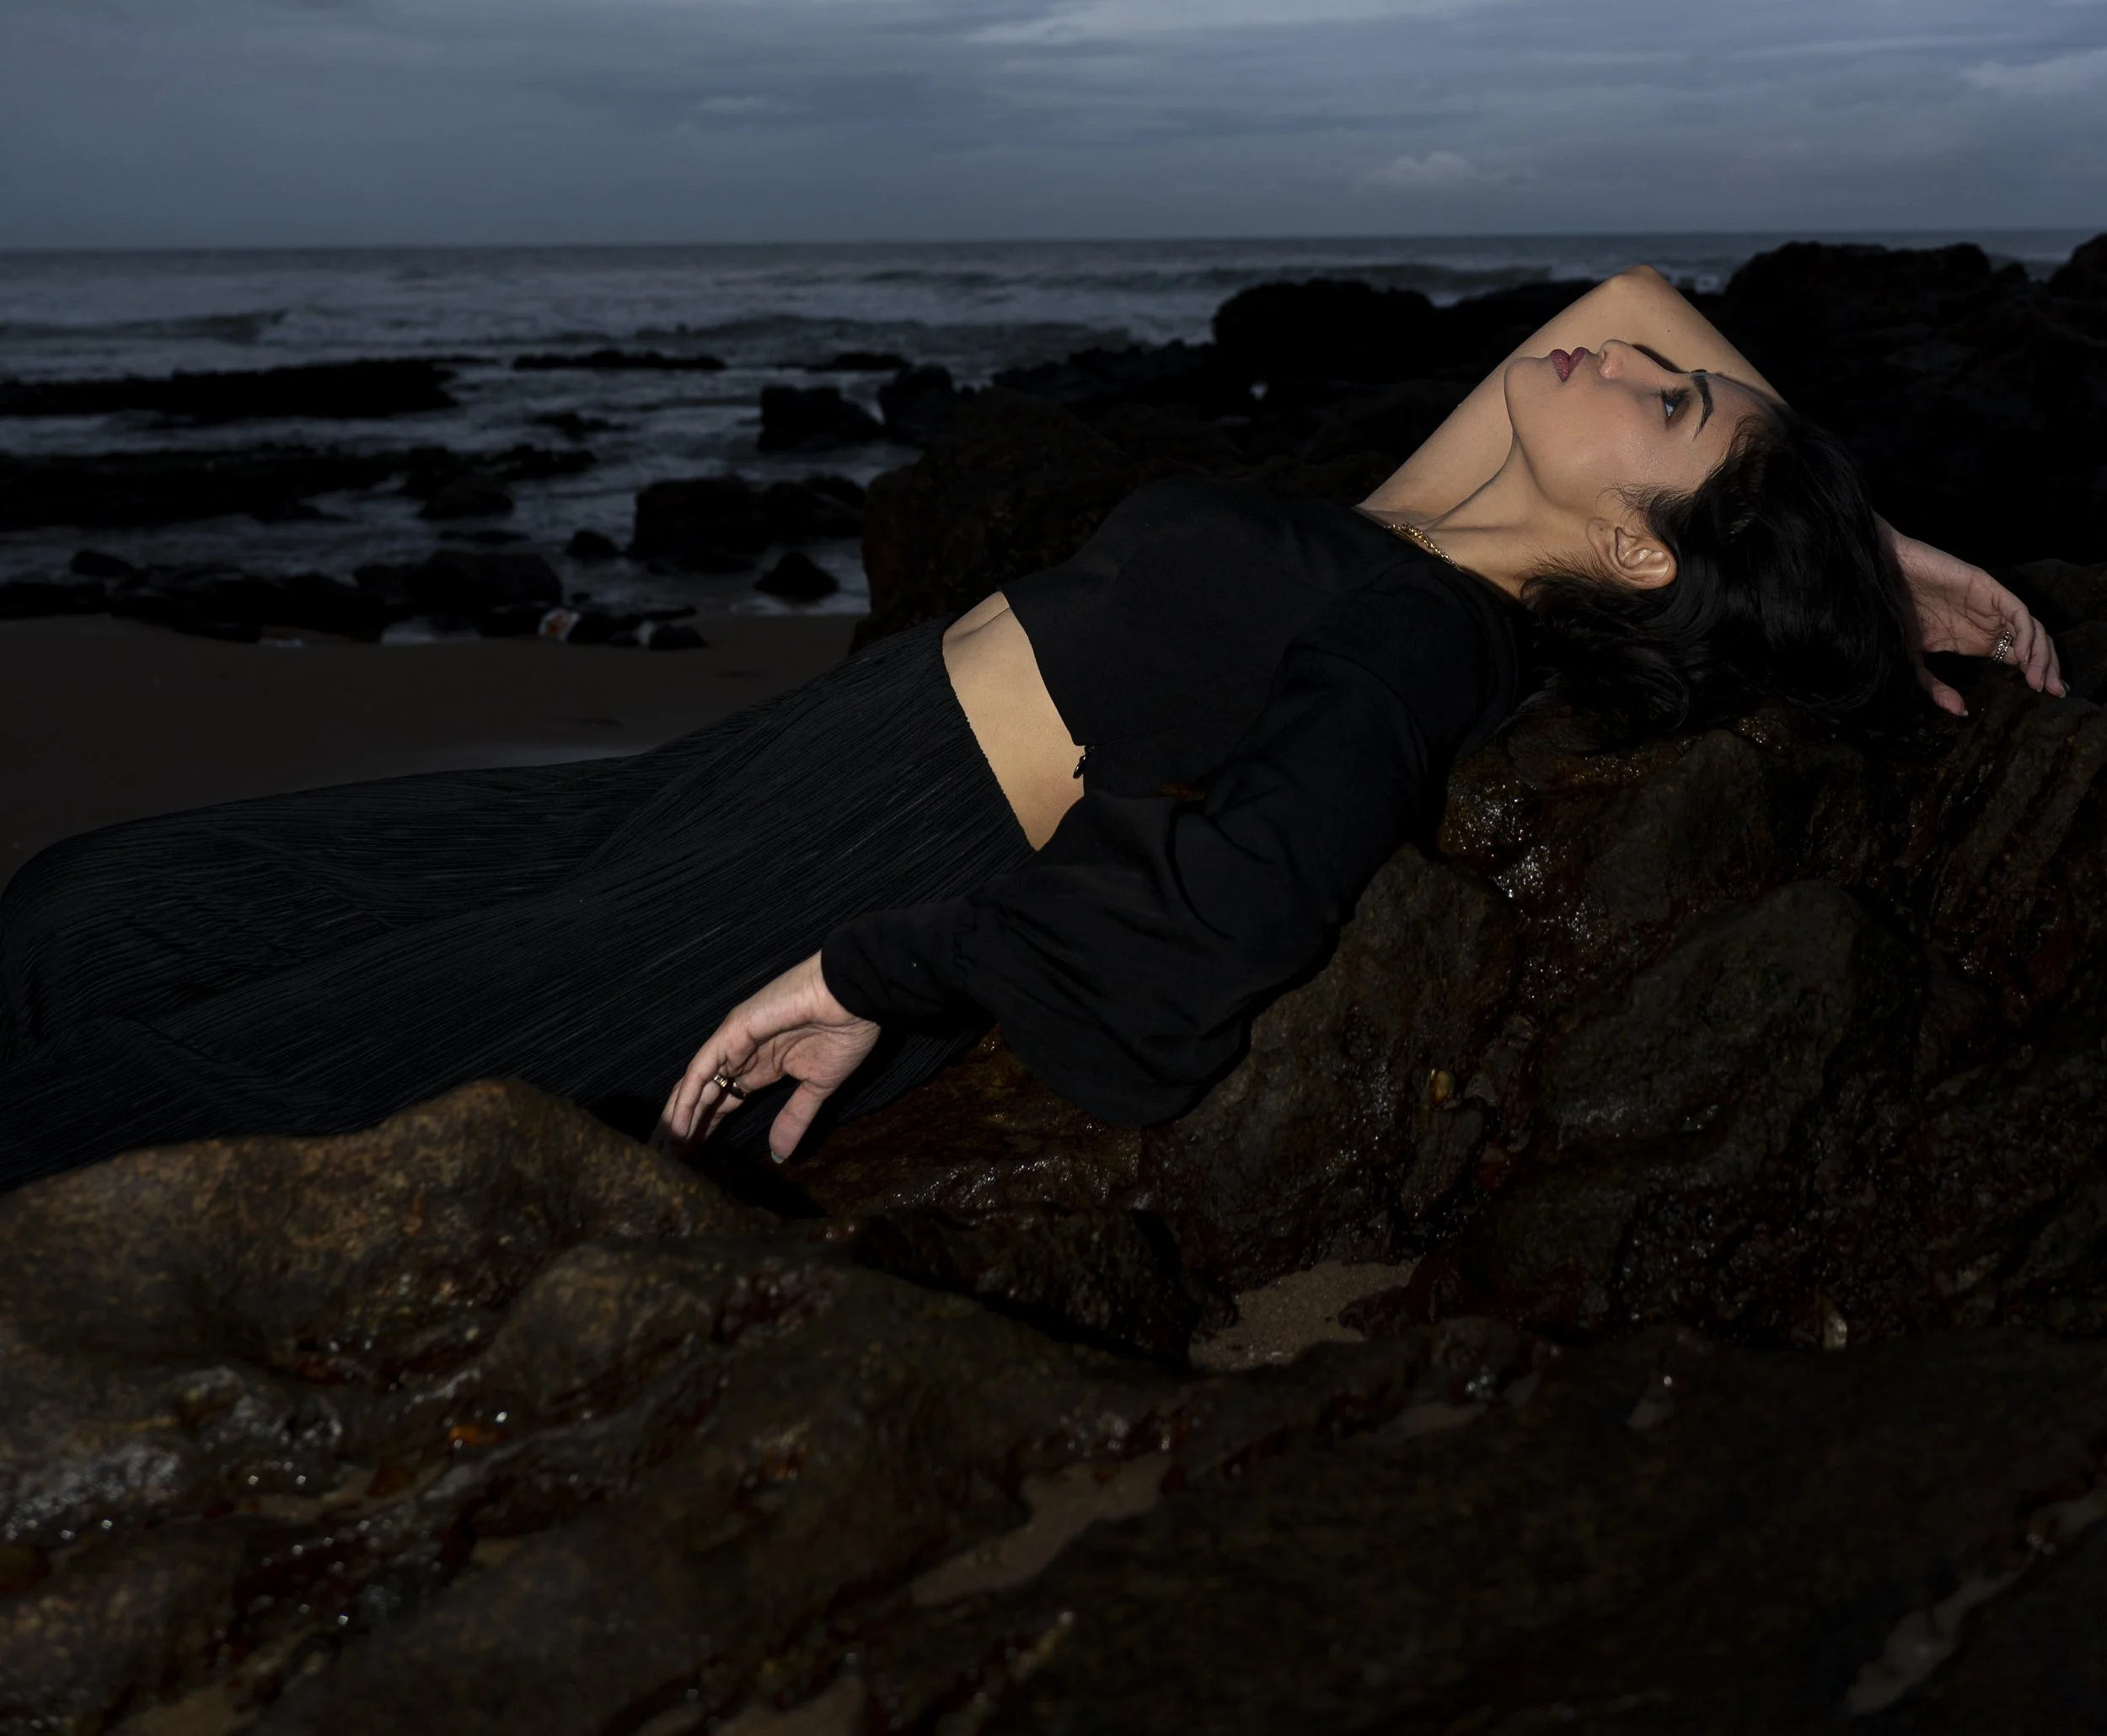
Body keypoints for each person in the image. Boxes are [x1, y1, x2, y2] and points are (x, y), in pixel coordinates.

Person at [0, 268, 2061, 1197]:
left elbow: (1233, 901)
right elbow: (1633, 283)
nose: (1617, 345)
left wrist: (875, 965)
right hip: (745, 770)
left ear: (1632, 547)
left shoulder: (1434, 633)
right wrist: (1864, 543)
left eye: (1666, 403)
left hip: (828, 851)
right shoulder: (1413, 518)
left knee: (177, 1083)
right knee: (100, 899)